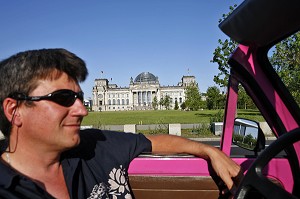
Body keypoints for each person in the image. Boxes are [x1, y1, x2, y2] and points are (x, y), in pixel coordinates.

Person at [0, 48, 242, 199]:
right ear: (15, 110)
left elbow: (154, 141)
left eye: (80, 98)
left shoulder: (95, 145)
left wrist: (209, 150)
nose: (83, 110)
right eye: (63, 98)